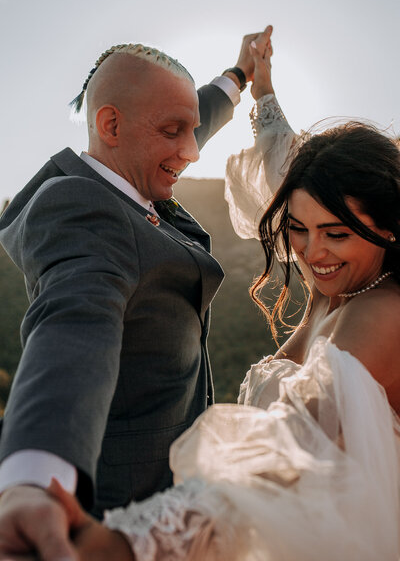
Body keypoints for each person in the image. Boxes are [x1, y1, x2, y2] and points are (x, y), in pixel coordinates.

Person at [32, 29, 400, 560]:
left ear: (389, 225)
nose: (313, 253)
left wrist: (128, 543)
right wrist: (254, 83)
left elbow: (288, 453)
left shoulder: (379, 317)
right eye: (297, 228)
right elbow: (280, 160)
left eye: (336, 233)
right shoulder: (338, 275)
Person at [0, 28, 275, 561]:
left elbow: (186, 115)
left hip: (178, 491)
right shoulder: (84, 208)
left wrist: (238, 75)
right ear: (110, 125)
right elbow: (75, 328)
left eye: (193, 130)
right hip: (116, 514)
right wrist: (34, 479)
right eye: (174, 131)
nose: (192, 152)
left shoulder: (126, 168)